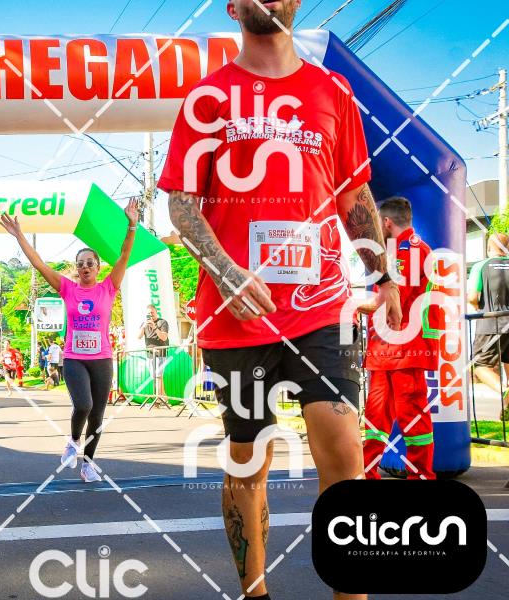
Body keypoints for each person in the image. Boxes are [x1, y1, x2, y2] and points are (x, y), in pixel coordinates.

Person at [158, 2, 402, 598]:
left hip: (322, 305)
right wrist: (226, 271)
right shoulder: (208, 97)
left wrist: (384, 276)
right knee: (249, 461)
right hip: (238, 315)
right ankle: (255, 592)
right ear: (232, 7)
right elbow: (181, 204)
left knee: (344, 453)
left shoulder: (333, 91)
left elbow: (354, 197)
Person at [1, 199, 138, 483]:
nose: (85, 267)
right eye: (80, 264)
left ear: (98, 267)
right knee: (84, 405)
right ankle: (74, 441)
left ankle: (88, 464)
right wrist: (19, 236)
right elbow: (39, 263)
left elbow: (125, 255)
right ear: (76, 269)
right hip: (75, 359)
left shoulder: (108, 287)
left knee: (98, 416)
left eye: (90, 263)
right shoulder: (67, 288)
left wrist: (132, 225)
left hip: (102, 359)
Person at [358, 198, 439, 479]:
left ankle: (421, 476)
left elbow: (392, 300)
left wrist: (344, 303)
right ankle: (366, 472)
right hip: (390, 348)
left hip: (405, 348)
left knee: (411, 415)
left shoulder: (408, 251)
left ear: (386, 222)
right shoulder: (404, 251)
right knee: (376, 415)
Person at [467, 232, 509, 421]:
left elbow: (472, 297)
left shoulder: (480, 266)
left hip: (490, 324)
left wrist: (477, 307)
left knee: (479, 366)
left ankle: (505, 391)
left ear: (488, 248)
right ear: (507, 248)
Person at [138, 304, 169, 401]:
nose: (151, 315)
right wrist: (143, 327)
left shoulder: (162, 322)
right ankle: (165, 398)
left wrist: (155, 327)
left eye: (152, 312)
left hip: (160, 353)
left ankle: (157, 400)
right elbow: (138, 337)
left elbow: (164, 337)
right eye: (149, 313)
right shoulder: (144, 323)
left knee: (158, 376)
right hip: (150, 354)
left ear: (156, 312)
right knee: (155, 377)